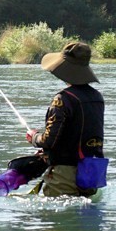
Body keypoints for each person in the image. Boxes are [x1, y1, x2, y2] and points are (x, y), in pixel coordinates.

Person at [25, 42, 105, 197]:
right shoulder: (97, 97)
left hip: (65, 175)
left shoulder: (62, 99)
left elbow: (49, 140)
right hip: (91, 173)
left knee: (55, 212)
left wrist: (34, 137)